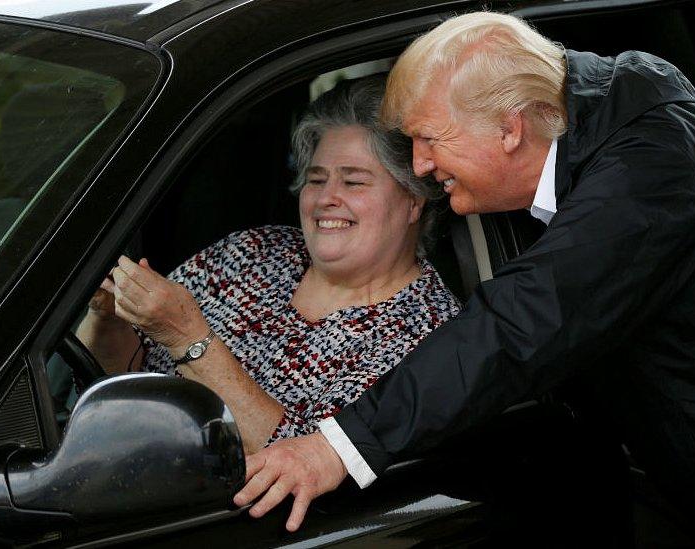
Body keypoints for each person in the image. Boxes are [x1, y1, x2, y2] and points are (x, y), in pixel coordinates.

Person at [234, 12, 695, 546]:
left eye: (429, 139)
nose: (419, 165)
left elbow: (522, 322)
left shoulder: (653, 172)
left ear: (510, 129)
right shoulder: (592, 137)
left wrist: (337, 444)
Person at [76, 75, 460, 454]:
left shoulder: (429, 333)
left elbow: (306, 465)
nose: (325, 198)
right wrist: (110, 318)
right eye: (316, 179)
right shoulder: (253, 250)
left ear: (414, 200)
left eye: (353, 182)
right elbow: (121, 385)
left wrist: (190, 339)